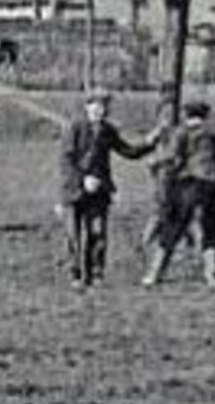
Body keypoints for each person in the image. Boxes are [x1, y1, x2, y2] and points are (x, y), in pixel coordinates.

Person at [58, 90, 158, 288]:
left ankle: (96, 273)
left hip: (100, 190)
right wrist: (83, 180)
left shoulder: (108, 130)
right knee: (73, 235)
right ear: (87, 106)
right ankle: (76, 274)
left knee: (98, 233)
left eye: (105, 107)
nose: (101, 111)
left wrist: (148, 143)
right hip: (74, 190)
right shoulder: (74, 127)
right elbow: (66, 160)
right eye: (97, 106)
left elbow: (127, 151)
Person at [143, 101, 215, 286]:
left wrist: (154, 162)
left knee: (173, 227)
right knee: (212, 227)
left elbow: (173, 156)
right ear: (205, 116)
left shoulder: (182, 133)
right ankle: (212, 274)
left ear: (186, 115)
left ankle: (155, 273)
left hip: (189, 184)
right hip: (212, 185)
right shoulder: (212, 135)